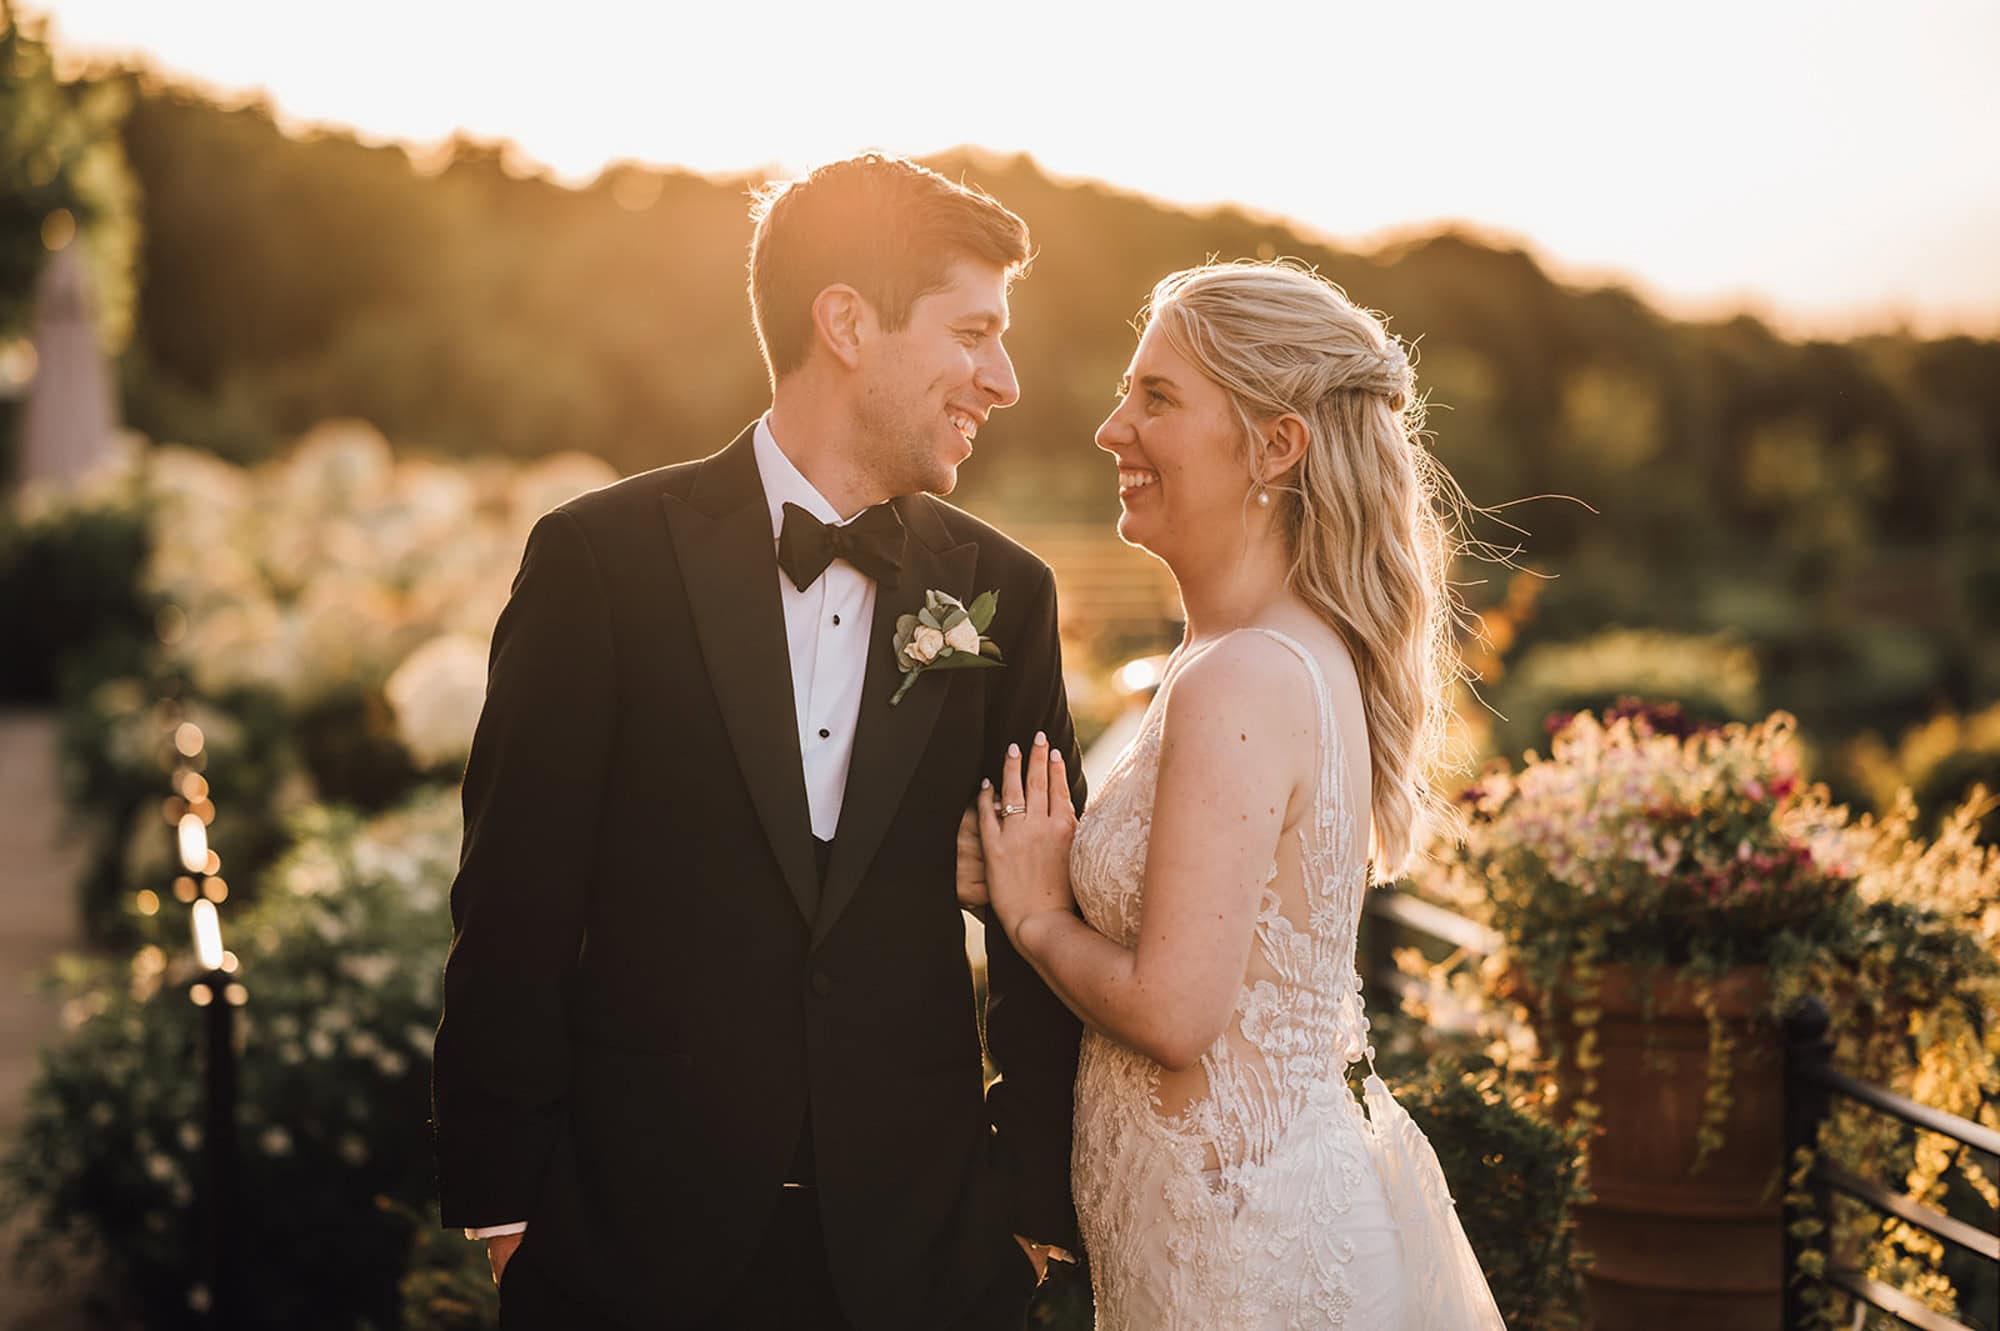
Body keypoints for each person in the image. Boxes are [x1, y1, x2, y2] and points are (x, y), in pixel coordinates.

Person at [432, 152, 1086, 1330]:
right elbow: (513, 897)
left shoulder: (1005, 591)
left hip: (923, 1259)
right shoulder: (601, 561)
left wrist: (1034, 1211)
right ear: (844, 321)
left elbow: (1048, 917)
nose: (1004, 379)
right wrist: (507, 1215)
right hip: (628, 1249)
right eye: (971, 332)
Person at [964, 260, 1508, 1328]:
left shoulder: (1243, 674)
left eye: (1156, 397)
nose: (1111, 428)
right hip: (1208, 1225)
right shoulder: (1250, 654)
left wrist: (1031, 913)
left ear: (1274, 445)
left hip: (1240, 1257)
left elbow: (1176, 1010)